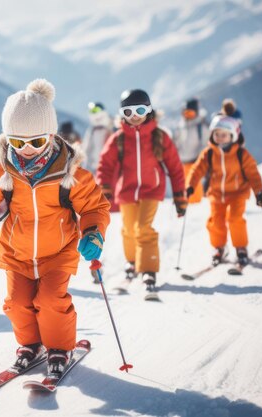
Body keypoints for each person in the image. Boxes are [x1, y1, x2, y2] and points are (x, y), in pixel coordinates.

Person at [0, 79, 110, 377]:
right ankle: (31, 345)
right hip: (16, 252)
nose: (27, 149)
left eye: (37, 141)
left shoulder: (69, 174)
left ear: (52, 136)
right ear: (7, 139)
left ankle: (59, 347)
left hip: (57, 252)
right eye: (18, 143)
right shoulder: (3, 170)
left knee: (49, 301)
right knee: (17, 304)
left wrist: (93, 232)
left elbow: (94, 207)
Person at [96, 89, 187, 295]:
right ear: (122, 114)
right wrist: (105, 187)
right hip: (126, 192)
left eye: (140, 110)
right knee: (128, 229)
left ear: (149, 110)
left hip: (151, 190)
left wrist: (180, 195)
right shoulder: (119, 138)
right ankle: (132, 262)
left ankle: (148, 269)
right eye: (129, 112)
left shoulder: (159, 137)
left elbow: (175, 167)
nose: (135, 115)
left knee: (143, 227)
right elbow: (105, 165)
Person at [185, 115, 262, 267]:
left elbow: (253, 174)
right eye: (217, 134)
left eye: (224, 135)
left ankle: (241, 248)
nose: (220, 138)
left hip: (237, 193)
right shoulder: (209, 153)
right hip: (217, 194)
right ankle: (219, 248)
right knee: (216, 222)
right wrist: (190, 185)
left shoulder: (241, 154)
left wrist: (259, 192)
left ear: (233, 135)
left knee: (235, 219)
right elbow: (197, 170)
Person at [173, 97, 209, 204]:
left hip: (194, 161)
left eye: (191, 113)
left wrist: (200, 157)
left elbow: (205, 143)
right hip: (182, 161)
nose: (188, 116)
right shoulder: (181, 126)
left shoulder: (201, 126)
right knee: (183, 184)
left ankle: (195, 205)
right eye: (185, 113)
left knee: (194, 183)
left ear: (196, 112)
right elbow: (177, 142)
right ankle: (186, 203)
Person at [82, 102, 113, 173]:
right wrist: (86, 168)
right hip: (95, 167)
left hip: (110, 167)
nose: (94, 114)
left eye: (96, 110)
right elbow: (87, 150)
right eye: (92, 111)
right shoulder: (92, 130)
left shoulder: (112, 126)